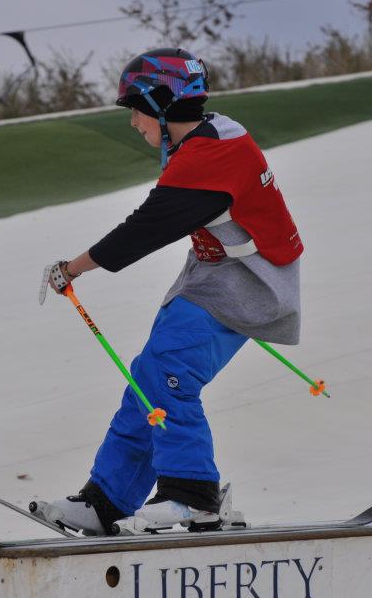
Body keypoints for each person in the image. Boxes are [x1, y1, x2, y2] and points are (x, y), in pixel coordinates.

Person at [37, 48, 304, 535]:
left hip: (248, 285)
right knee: (147, 380)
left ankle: (193, 496)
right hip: (214, 278)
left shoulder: (211, 154)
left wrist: (71, 269)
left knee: (168, 374)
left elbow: (144, 230)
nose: (133, 122)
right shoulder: (211, 137)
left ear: (162, 102)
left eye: (135, 108)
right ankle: (107, 502)